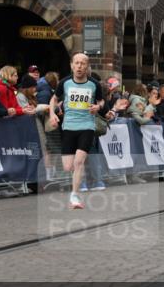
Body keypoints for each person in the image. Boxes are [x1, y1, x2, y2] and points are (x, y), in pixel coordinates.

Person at [47, 52, 116, 210]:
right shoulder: (64, 83)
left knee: (79, 162)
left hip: (87, 126)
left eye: (83, 63)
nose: (79, 66)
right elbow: (54, 99)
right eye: (76, 63)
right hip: (69, 127)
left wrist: (97, 107)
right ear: (72, 65)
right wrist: (52, 114)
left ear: (87, 66)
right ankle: (76, 185)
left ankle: (75, 195)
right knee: (68, 166)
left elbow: (101, 101)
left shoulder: (94, 84)